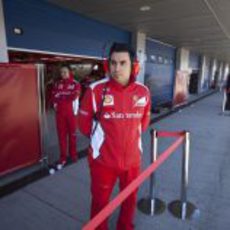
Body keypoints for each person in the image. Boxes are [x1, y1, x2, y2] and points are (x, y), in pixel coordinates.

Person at [79, 43, 151, 230]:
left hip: (133, 161)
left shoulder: (143, 91)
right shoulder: (95, 90)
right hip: (103, 162)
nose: (116, 68)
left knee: (130, 199)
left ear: (133, 65)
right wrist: (103, 144)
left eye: (122, 63)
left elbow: (143, 124)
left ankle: (125, 226)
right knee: (100, 203)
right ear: (107, 64)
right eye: (113, 63)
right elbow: (84, 126)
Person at [52, 65, 81, 170]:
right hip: (60, 114)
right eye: (61, 72)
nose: (63, 74)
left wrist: (61, 97)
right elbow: (54, 97)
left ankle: (73, 154)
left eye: (65, 72)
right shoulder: (57, 84)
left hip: (71, 114)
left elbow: (73, 96)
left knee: (72, 135)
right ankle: (63, 157)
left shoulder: (75, 84)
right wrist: (63, 97)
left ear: (69, 72)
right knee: (61, 137)